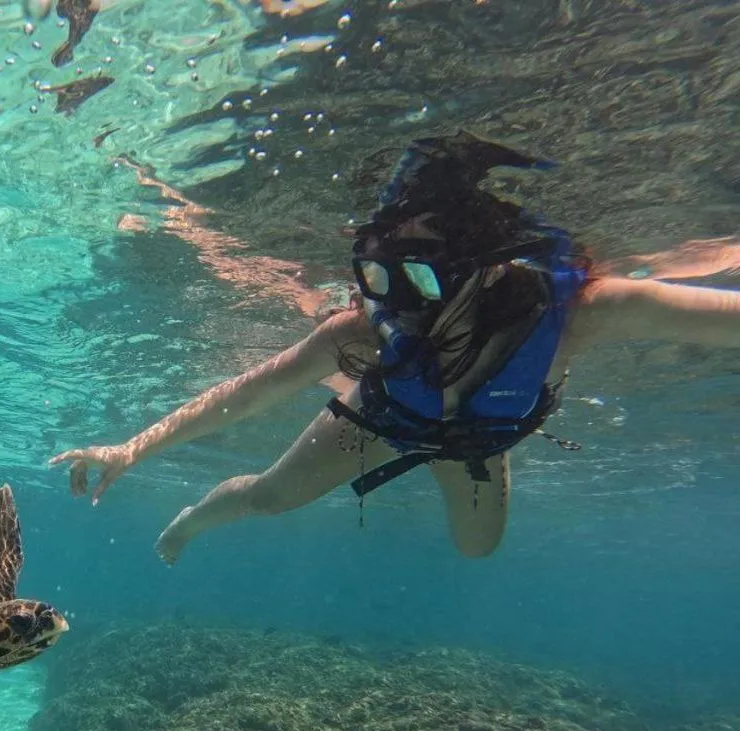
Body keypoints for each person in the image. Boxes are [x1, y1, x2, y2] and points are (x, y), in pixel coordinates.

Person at [50, 132, 740, 562]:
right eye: (377, 275)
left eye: (413, 274)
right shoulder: (360, 333)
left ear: (484, 263)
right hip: (382, 415)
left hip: (477, 440)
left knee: (478, 552)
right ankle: (193, 520)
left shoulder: (581, 312)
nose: (390, 302)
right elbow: (248, 394)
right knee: (267, 498)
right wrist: (130, 449)